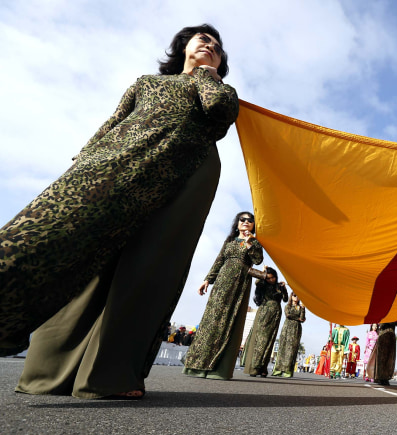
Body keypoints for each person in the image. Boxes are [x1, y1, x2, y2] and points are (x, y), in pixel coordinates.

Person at [8, 24, 237, 399]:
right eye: (202, 39)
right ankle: (47, 372)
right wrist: (85, 159)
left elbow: (219, 111)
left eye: (217, 45)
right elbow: (113, 122)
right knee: (91, 251)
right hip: (123, 160)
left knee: (151, 265)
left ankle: (107, 378)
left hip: (189, 169)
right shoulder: (146, 83)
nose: (209, 44)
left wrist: (206, 76)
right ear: (182, 47)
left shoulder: (218, 88)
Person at [182, 212, 265, 380]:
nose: (246, 222)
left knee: (230, 319)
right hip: (221, 283)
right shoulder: (229, 242)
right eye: (243, 219)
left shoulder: (255, 243)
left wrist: (249, 245)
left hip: (239, 284)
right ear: (237, 224)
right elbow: (219, 260)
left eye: (250, 220)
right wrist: (207, 280)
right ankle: (197, 365)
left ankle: (219, 369)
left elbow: (258, 261)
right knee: (212, 319)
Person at [242, 267, 288, 377]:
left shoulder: (279, 286)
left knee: (270, 340)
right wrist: (263, 274)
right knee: (261, 340)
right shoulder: (263, 284)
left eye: (273, 277)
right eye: (269, 278)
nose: (271, 280)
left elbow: (285, 299)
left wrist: (284, 289)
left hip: (277, 313)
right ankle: (254, 367)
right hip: (265, 312)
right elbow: (257, 281)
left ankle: (263, 368)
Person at [272, 292, 306, 377]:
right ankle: (278, 370)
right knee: (282, 348)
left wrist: (303, 309)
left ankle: (288, 371)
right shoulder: (288, 306)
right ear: (291, 296)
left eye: (298, 295)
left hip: (296, 329)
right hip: (287, 328)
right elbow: (288, 315)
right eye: (294, 295)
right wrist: (297, 318)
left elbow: (302, 319)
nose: (296, 297)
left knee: (292, 350)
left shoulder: (300, 307)